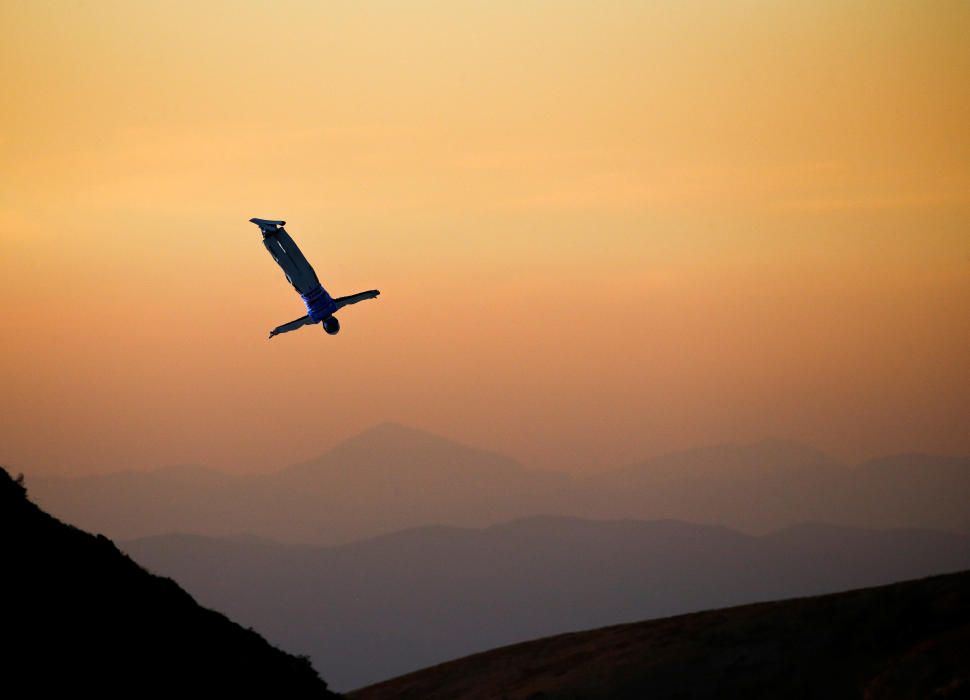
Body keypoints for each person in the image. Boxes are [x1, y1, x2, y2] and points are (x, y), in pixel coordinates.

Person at [251, 218, 380, 338]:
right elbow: (296, 324)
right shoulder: (316, 317)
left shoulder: (332, 307)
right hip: (303, 287)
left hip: (311, 281)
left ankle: (276, 233)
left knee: (295, 255)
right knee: (285, 261)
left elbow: (352, 300)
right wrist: (278, 330)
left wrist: (370, 294)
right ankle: (268, 234)